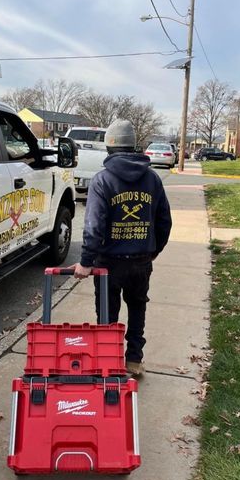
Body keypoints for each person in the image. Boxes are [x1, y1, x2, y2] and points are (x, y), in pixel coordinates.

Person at [74, 119, 172, 377]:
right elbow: (164, 221)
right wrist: (152, 250)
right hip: (141, 260)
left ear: (108, 148)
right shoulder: (152, 179)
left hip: (109, 263)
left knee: (107, 313)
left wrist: (86, 262)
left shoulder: (102, 180)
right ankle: (134, 360)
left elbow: (94, 226)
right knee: (138, 307)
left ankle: (108, 362)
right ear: (134, 146)